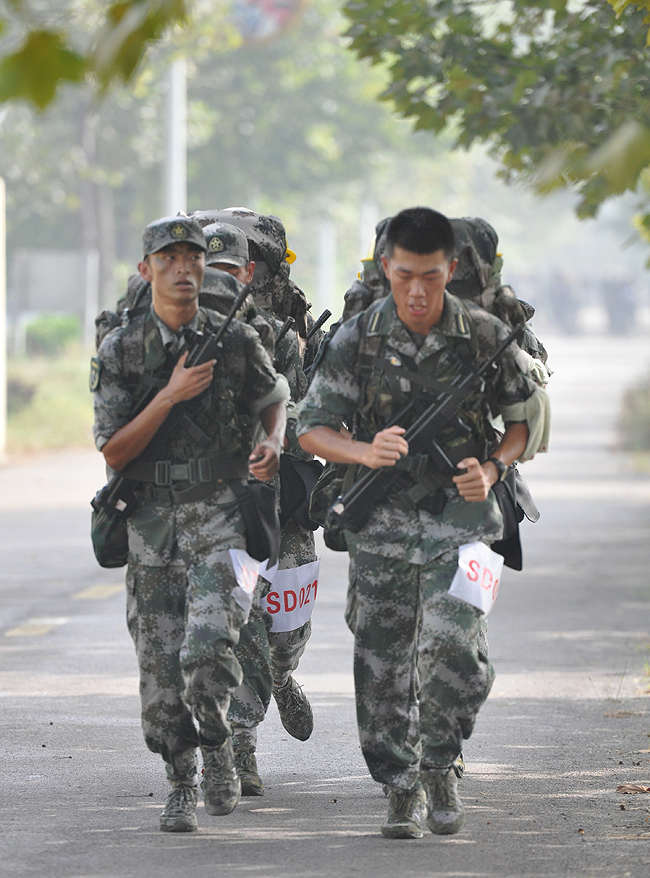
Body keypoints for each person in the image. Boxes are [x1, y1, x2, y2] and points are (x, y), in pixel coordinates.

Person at [297, 207, 549, 839]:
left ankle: (441, 764)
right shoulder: (356, 340)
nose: (417, 291)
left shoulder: (487, 336)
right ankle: (400, 787)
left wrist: (492, 467)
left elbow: (521, 422)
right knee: (381, 666)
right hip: (378, 526)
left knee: (457, 655)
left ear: (451, 270)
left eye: (431, 277)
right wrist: (363, 452)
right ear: (386, 267)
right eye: (405, 274)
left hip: (464, 523)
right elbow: (311, 428)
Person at [92, 215, 289, 833]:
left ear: (203, 269)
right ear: (147, 269)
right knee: (160, 684)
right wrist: (171, 394)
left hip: (222, 518)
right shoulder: (122, 351)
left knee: (208, 651)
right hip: (151, 526)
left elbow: (273, 395)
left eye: (193, 258)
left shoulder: (232, 338)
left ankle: (220, 745)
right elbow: (114, 452)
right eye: (169, 258)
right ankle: (180, 781)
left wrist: (274, 443)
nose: (183, 269)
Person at [200, 220, 318, 798]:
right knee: (224, 629)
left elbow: (307, 416)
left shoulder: (282, 338)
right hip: (210, 508)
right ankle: (236, 747)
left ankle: (282, 673)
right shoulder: (178, 333)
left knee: (282, 629)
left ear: (251, 274)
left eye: (230, 271)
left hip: (276, 502)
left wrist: (273, 432)